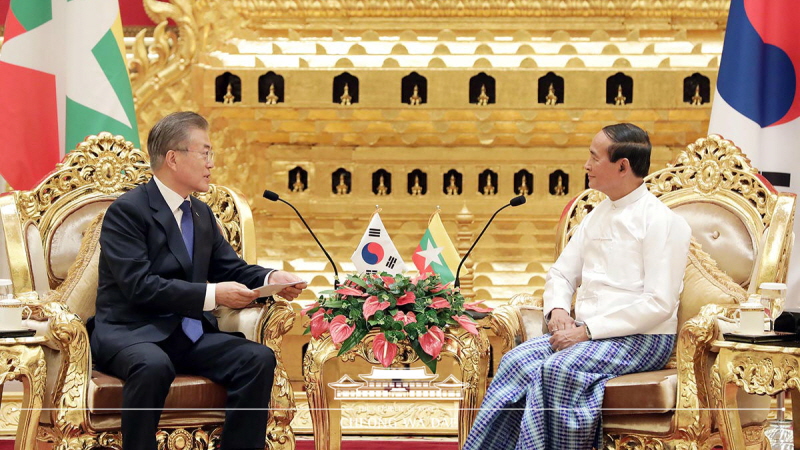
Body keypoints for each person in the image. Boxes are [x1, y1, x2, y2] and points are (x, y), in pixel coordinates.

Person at [463, 123, 692, 450]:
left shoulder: (662, 221)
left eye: (594, 158)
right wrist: (557, 310)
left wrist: (586, 331)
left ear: (622, 166)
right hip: (585, 331)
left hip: (643, 337)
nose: (586, 166)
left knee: (560, 368)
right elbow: (561, 273)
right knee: (516, 361)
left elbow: (658, 303)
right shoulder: (597, 213)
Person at [90, 111, 308, 450]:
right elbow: (139, 286)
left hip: (185, 335)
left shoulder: (199, 213)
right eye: (204, 152)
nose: (211, 163)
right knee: (153, 365)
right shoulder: (128, 211)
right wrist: (213, 295)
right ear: (173, 158)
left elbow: (230, 268)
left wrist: (271, 276)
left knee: (256, 359)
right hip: (130, 332)